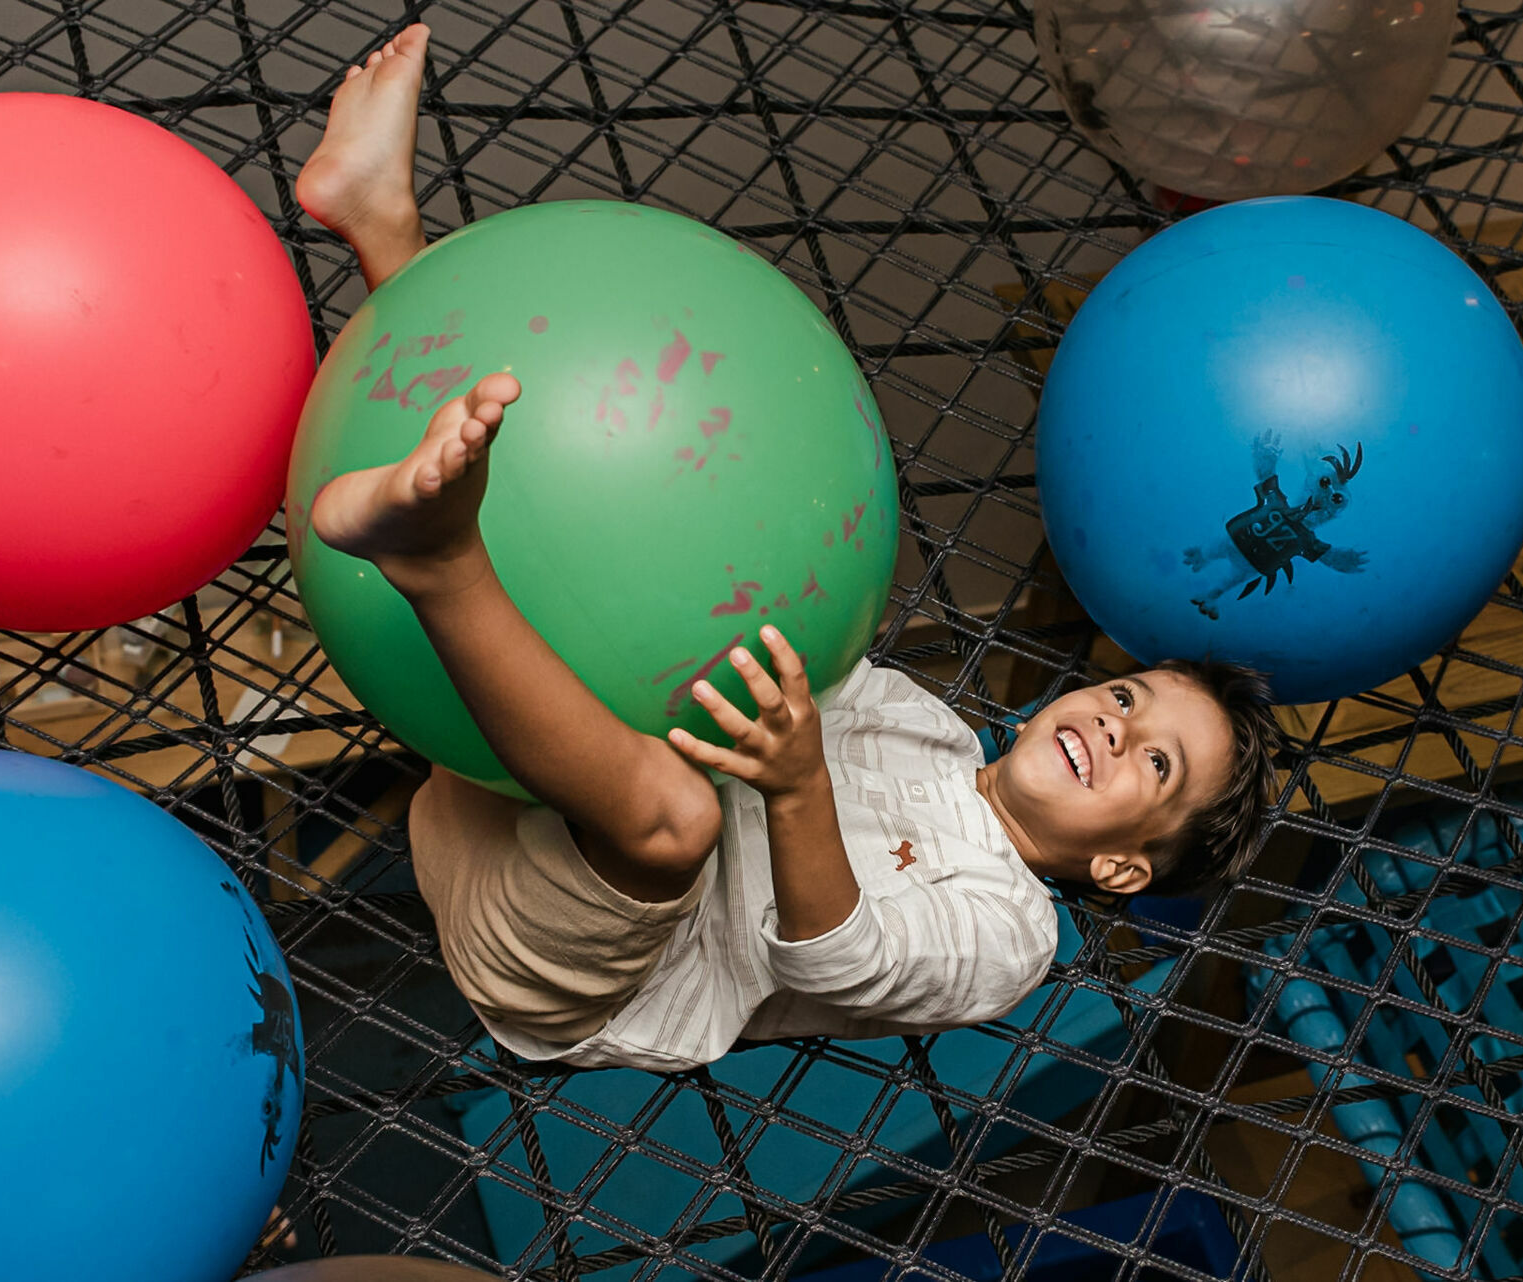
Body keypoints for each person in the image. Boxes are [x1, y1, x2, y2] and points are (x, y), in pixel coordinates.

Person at [293, 24, 1283, 1071]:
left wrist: (802, 784)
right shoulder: (927, 728)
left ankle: (436, 559)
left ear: (1124, 868)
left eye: (1157, 762)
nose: (1117, 728)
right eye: (1130, 697)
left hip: (566, 960)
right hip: (503, 777)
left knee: (679, 820)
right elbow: (751, 652)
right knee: (614, 576)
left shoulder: (1013, 936)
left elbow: (840, 961)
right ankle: (383, 229)